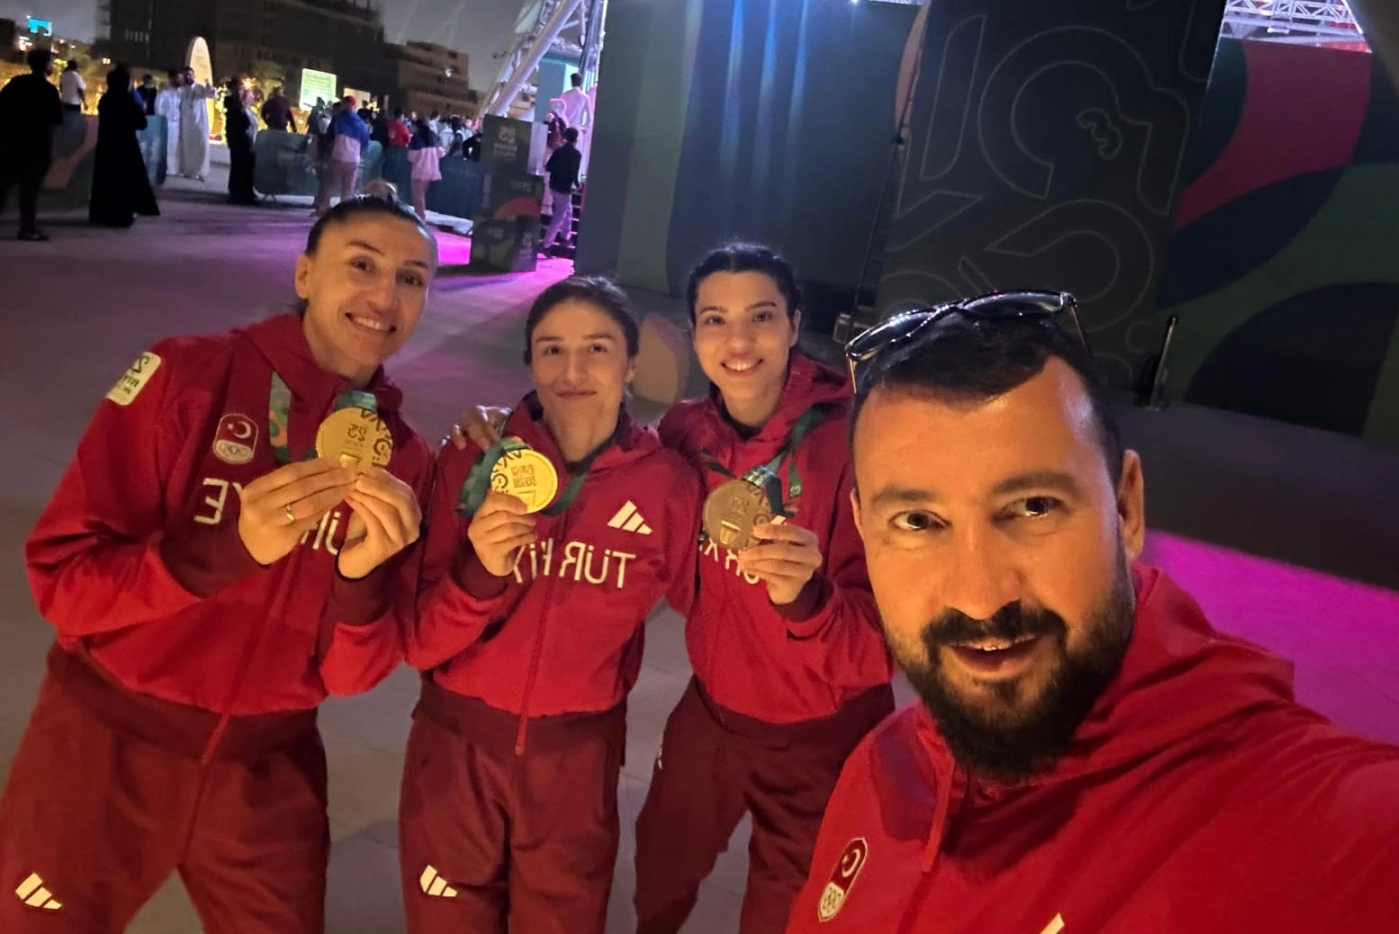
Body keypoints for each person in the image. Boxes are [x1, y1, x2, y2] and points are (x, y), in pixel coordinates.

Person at [782, 294, 1399, 933]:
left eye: (1034, 507)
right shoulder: (882, 768)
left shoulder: (1307, 823)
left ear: (1126, 509)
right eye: (918, 521)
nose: (979, 597)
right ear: (864, 529)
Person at [0, 193, 437, 933]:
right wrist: (230, 550)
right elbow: (64, 584)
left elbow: (348, 677)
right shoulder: (187, 375)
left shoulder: (403, 461)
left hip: (269, 768)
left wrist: (359, 580)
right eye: (362, 265)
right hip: (106, 747)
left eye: (412, 278)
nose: (385, 296)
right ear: (305, 274)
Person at [401, 276, 704, 934]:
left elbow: (710, 609)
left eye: (597, 349)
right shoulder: (476, 459)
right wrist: (481, 571)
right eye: (551, 350)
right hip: (456, 749)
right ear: (530, 363)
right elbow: (420, 643)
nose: (572, 371)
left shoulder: (667, 486)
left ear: (631, 364)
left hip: (576, 760)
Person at [628, 244, 892, 933]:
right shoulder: (685, 431)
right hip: (714, 709)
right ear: (694, 333)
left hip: (824, 734)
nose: (738, 341)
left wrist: (806, 598)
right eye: (715, 319)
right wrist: (513, 430)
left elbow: (884, 647)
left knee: (789, 913)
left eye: (762, 316)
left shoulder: (861, 443)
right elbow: (616, 479)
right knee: (659, 870)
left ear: (795, 322)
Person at [0, 48, 64, 242]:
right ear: (46, 65)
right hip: (37, 146)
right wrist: (51, 149)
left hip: (10, 142)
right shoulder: (49, 91)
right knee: (29, 191)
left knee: (3, 185)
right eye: (51, 62)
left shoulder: (16, 83)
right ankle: (27, 229)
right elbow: (52, 124)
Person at [89, 66, 159, 228]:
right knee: (123, 180)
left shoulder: (105, 100)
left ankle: (101, 214)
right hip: (125, 145)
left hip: (106, 145)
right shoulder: (128, 101)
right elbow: (141, 123)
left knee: (105, 179)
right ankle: (120, 216)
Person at [316, 96, 369, 213]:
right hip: (353, 159)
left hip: (338, 156)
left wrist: (330, 150)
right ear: (354, 106)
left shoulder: (338, 119)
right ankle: (345, 212)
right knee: (348, 188)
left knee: (330, 184)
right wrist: (358, 154)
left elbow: (329, 137)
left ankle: (323, 208)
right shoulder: (362, 124)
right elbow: (365, 144)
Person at [540, 126, 582, 257]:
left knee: (568, 210)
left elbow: (548, 167)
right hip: (564, 188)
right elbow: (574, 173)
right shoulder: (576, 154)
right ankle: (546, 244)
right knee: (559, 216)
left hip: (554, 185)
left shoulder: (558, 151)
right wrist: (577, 184)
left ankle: (565, 237)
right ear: (576, 139)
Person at [176, 66, 216, 180]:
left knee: (201, 146)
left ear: (194, 76)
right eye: (185, 75)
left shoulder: (199, 88)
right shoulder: (181, 89)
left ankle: (200, 171)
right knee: (187, 148)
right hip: (186, 124)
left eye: (190, 74)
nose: (188, 77)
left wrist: (210, 87)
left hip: (199, 123)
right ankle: (188, 171)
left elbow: (211, 94)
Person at [225, 79, 260, 205]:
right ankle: (238, 193)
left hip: (248, 141)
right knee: (239, 167)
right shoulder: (235, 106)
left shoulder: (247, 109)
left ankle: (246, 192)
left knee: (247, 167)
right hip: (240, 141)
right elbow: (241, 124)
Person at [407, 117, 444, 220]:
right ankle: (420, 216)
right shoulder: (434, 136)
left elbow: (411, 157)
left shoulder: (416, 138)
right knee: (422, 195)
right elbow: (441, 153)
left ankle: (420, 218)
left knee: (417, 196)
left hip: (419, 170)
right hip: (432, 170)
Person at [155, 71, 182, 176]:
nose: (179, 80)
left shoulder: (179, 92)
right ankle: (163, 167)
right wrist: (161, 119)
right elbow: (158, 106)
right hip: (166, 121)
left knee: (173, 146)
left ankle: (172, 168)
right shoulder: (164, 91)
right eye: (177, 78)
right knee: (165, 146)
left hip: (176, 122)